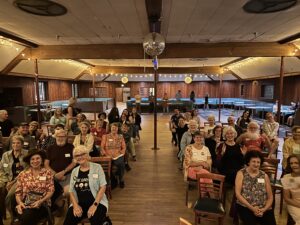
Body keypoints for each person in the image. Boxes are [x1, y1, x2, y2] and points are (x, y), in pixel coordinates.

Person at [63, 145, 108, 225]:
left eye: (82, 154)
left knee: (95, 220)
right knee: (68, 221)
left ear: (87, 155)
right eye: (77, 155)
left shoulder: (97, 167)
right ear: (74, 158)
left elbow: (103, 187)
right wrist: (75, 205)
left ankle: (105, 220)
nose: (80, 157)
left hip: (97, 202)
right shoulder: (74, 171)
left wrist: (94, 205)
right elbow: (71, 190)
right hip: (79, 203)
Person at [235, 150, 276, 225]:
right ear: (248, 162)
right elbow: (238, 194)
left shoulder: (264, 175)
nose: (256, 164)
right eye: (253, 161)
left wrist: (263, 209)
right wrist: (252, 208)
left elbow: (270, 197)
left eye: (258, 162)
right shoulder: (241, 173)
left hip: (263, 207)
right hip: (246, 206)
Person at [15, 149, 54, 225]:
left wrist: (40, 201)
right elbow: (18, 193)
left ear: (42, 160)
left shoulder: (47, 173)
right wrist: (20, 203)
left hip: (42, 204)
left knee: (25, 218)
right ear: (29, 161)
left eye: (37, 158)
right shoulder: (23, 174)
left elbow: (51, 191)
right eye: (32, 159)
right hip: (25, 204)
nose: (35, 161)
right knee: (25, 216)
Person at [0, 135, 27, 224]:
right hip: (7, 179)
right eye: (14, 143)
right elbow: (1, 169)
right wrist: (7, 181)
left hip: (20, 180)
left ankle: (14, 216)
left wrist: (13, 182)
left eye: (18, 143)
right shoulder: (6, 155)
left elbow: (26, 171)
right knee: (1, 191)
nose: (15, 145)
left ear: (22, 144)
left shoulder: (27, 154)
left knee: (9, 196)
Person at [44, 129, 75, 197]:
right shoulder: (50, 148)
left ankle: (62, 201)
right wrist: (55, 174)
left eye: (63, 136)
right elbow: (46, 164)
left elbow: (74, 163)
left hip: (67, 175)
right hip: (52, 175)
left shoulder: (71, 147)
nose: (60, 138)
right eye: (58, 136)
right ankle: (58, 203)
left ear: (66, 137)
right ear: (55, 137)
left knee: (68, 191)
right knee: (49, 192)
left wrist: (63, 172)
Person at [101, 123, 126, 188]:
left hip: (118, 155)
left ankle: (121, 179)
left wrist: (121, 153)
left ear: (118, 129)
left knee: (121, 164)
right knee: (106, 166)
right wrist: (106, 154)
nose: (114, 129)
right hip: (107, 155)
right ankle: (110, 180)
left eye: (115, 127)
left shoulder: (120, 136)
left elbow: (124, 147)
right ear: (110, 128)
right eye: (112, 127)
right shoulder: (105, 136)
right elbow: (102, 147)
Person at [282, 154, 300, 225]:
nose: (293, 165)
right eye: (291, 163)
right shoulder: (287, 178)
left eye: (296, 163)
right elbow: (286, 198)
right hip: (293, 204)